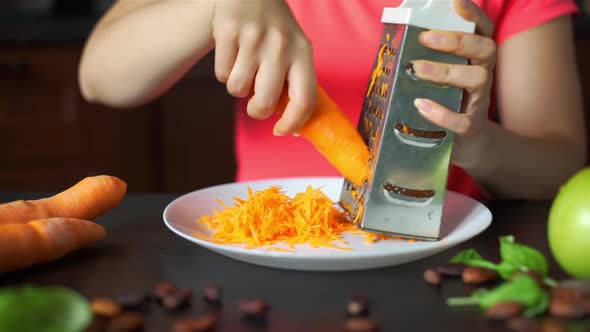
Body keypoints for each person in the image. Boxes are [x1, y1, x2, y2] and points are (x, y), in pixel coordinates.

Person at [78, 0, 587, 202]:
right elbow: (100, 77)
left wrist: (474, 142)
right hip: (268, 247)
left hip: (442, 260)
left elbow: (559, 166)